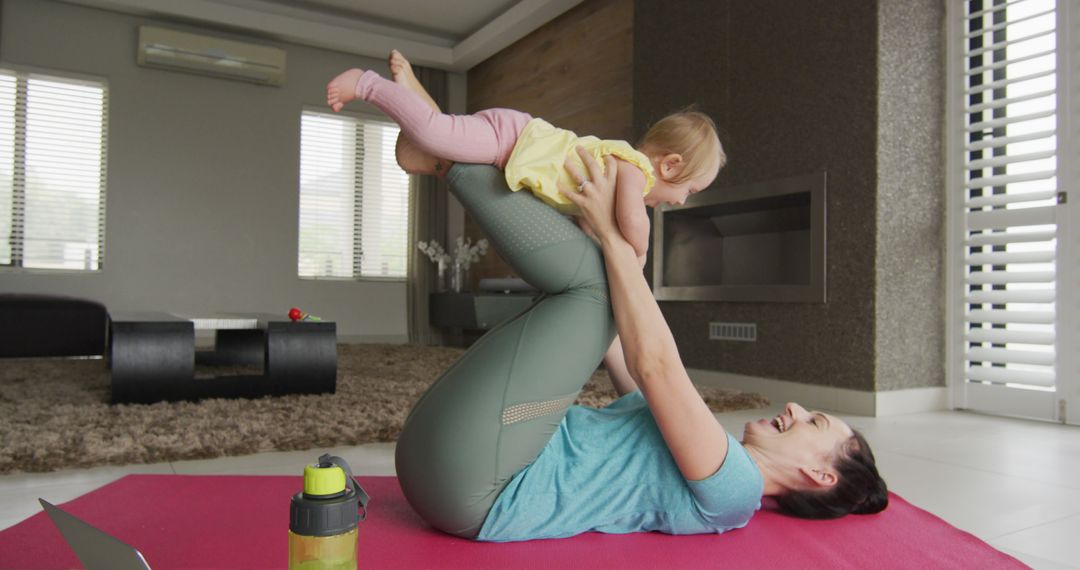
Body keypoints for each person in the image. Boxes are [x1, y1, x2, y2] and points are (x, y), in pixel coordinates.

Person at [391, 150, 888, 542]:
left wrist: (615, 240)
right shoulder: (710, 450)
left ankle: (447, 156)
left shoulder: (738, 490)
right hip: (459, 462)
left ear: (820, 474)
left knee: (594, 287)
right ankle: (450, 154)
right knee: (600, 289)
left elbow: (655, 365)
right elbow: (625, 346)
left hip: (483, 484)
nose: (796, 408)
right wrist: (604, 241)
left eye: (814, 423)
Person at [326, 50, 724, 265]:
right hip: (511, 138)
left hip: (512, 145)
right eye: (689, 190)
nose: (681, 201)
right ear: (669, 165)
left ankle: (414, 92)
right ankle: (366, 83)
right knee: (434, 133)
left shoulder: (614, 175)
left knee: (442, 140)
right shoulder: (634, 169)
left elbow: (589, 222)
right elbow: (633, 224)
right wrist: (641, 253)